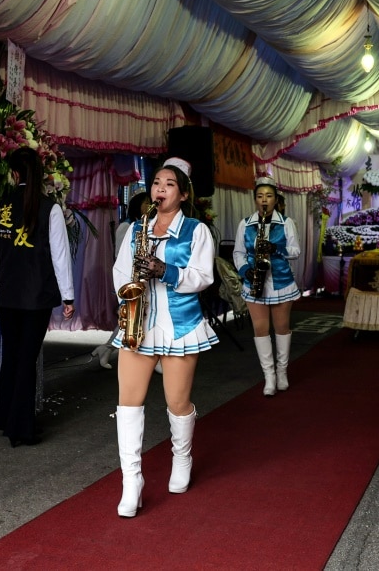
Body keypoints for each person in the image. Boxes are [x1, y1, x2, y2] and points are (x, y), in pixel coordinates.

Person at [110, 156, 217, 517]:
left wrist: (165, 270)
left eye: (169, 184)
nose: (160, 189)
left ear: (183, 194)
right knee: (128, 403)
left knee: (176, 402)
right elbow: (120, 270)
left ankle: (182, 457)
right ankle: (132, 481)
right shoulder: (137, 229)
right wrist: (128, 290)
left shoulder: (197, 231)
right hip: (139, 325)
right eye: (157, 182)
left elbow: (203, 276)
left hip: (180, 326)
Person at [0, 147, 75, 446]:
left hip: (8, 296)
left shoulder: (1, 206)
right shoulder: (49, 207)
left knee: (11, 356)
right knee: (26, 359)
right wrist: (68, 297)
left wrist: (4, 288)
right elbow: (60, 257)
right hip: (36, 297)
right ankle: (20, 428)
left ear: (14, 174)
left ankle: (5, 418)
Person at [233, 177, 301, 396]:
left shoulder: (286, 222)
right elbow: (238, 252)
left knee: (282, 328)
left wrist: (275, 247)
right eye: (260, 196)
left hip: (281, 282)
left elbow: (295, 251)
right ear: (255, 199)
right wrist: (245, 271)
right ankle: (269, 377)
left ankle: (282, 372)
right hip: (255, 281)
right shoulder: (246, 223)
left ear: (275, 199)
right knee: (260, 330)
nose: (264, 200)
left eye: (269, 196)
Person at [94, 190, 151, 370]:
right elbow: (121, 256)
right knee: (132, 318)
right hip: (130, 279)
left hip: (143, 278)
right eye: (146, 203)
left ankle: (107, 348)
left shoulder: (145, 225)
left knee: (138, 318)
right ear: (137, 206)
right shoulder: (127, 227)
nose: (149, 206)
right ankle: (109, 348)